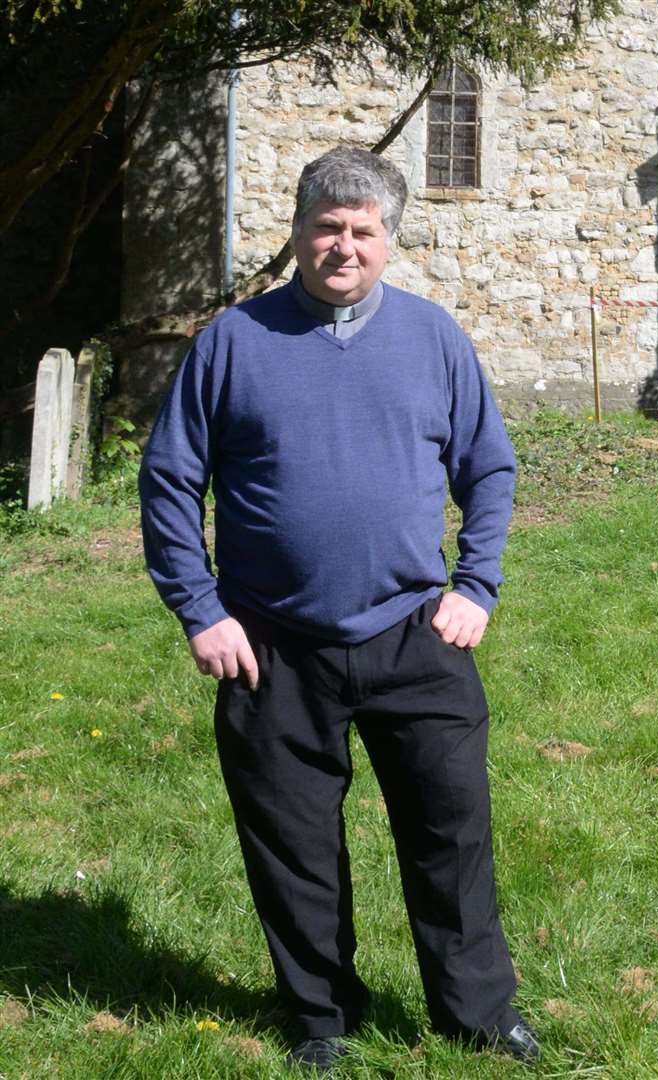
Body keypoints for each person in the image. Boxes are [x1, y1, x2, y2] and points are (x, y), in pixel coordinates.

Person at [138, 146, 537, 1074]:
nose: (344, 245)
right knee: (294, 847)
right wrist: (200, 611)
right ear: (298, 232)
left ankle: (477, 1014)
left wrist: (475, 586)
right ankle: (321, 1018)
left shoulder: (435, 338)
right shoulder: (233, 344)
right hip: (270, 646)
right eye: (328, 226)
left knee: (452, 834)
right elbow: (169, 481)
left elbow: (490, 467)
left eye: (363, 230)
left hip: (413, 635)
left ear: (389, 241)